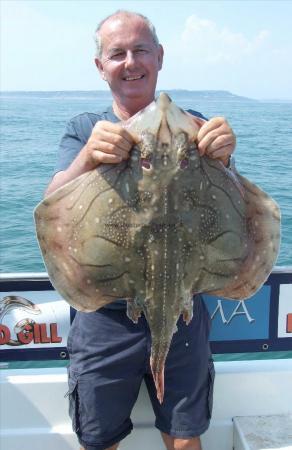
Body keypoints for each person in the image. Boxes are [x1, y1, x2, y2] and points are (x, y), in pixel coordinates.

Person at [45, 10, 236, 450]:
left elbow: (240, 207)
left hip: (184, 309)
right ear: (101, 66)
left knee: (186, 439)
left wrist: (223, 156)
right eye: (117, 53)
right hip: (105, 317)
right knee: (99, 440)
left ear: (160, 57)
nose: (130, 61)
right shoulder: (84, 130)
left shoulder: (196, 126)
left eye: (141, 50)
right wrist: (88, 159)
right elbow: (51, 204)